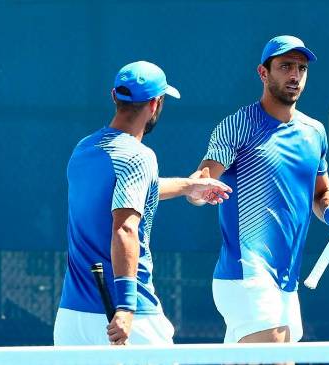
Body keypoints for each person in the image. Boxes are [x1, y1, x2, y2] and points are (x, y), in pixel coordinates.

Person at [188, 35, 329, 343]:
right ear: (263, 73)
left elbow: (319, 194)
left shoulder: (314, 133)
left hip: (285, 284)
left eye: (301, 68)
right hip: (247, 275)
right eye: (285, 67)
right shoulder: (238, 126)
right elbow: (204, 177)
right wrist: (198, 191)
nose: (295, 76)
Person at [54, 61, 232, 346]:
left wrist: (190, 185)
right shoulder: (138, 157)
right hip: (126, 317)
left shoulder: (84, 149)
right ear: (155, 104)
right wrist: (125, 308)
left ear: (115, 97)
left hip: (72, 319)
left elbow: (129, 192)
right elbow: (124, 228)